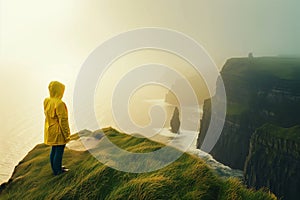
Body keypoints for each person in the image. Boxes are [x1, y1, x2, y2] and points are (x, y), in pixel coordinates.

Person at [44, 81, 71, 175]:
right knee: (59, 150)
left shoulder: (47, 100)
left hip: (49, 129)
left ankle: (55, 168)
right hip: (58, 131)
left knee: (54, 149)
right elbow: (63, 121)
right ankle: (58, 171)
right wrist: (67, 134)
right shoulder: (60, 104)